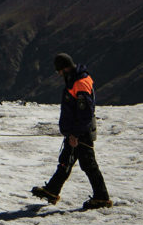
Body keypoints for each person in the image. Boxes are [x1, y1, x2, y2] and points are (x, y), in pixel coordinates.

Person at [31, 53, 113, 209]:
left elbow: (85, 113)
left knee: (88, 164)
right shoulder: (75, 79)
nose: (59, 74)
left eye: (60, 71)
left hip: (81, 133)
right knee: (65, 161)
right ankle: (52, 190)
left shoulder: (80, 83)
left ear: (65, 68)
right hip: (74, 132)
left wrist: (75, 134)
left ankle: (102, 197)